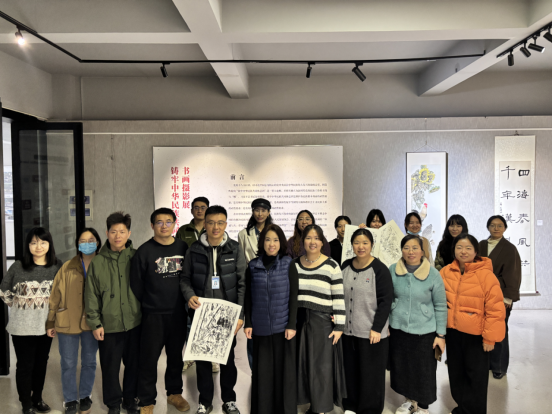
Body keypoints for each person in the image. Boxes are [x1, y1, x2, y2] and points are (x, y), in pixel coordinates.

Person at [180, 205, 246, 414]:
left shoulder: (235, 249)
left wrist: (240, 315)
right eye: (211, 222)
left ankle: (229, 400)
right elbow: (185, 279)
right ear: (205, 224)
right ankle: (205, 401)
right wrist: (189, 295)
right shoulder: (194, 249)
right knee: (202, 361)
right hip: (202, 313)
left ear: (226, 224)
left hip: (227, 314)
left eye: (220, 222)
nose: (215, 227)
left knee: (227, 360)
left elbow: (243, 284)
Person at [130, 208, 190, 414]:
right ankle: (147, 400)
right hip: (153, 314)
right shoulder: (144, 251)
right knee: (149, 358)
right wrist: (151, 302)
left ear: (174, 224)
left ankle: (174, 393)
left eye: (168, 221)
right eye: (159, 222)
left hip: (178, 313)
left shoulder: (183, 247)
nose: (164, 226)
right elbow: (136, 284)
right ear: (152, 225)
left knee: (175, 357)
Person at [440, 233, 506, 414]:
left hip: (476, 336)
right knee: (456, 373)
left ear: (476, 251)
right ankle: (462, 408)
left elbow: (495, 310)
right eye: (459, 247)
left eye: (468, 248)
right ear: (453, 250)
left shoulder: (486, 276)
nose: (463, 251)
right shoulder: (445, 272)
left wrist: (490, 338)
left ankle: (474, 411)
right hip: (452, 332)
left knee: (476, 376)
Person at [0, 227, 62, 414]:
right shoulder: (18, 266)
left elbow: (62, 294)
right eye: (34, 242)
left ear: (49, 244)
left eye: (43, 242)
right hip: (21, 327)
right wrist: (19, 306)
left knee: (41, 364)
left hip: (45, 326)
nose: (38, 246)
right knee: (25, 365)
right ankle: (26, 404)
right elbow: (4, 290)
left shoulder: (56, 266)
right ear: (28, 245)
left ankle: (37, 399)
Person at [85, 212, 142, 414]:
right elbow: (91, 295)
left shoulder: (137, 257)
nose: (118, 236)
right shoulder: (98, 262)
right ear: (107, 233)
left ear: (129, 233)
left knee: (134, 365)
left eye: (122, 231)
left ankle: (130, 400)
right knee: (110, 367)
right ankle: (113, 403)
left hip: (134, 322)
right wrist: (95, 323)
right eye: (113, 232)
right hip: (109, 325)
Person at [289, 224, 346, 413]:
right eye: (308, 238)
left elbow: (338, 297)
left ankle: (320, 408)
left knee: (321, 367)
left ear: (322, 242)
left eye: (316, 238)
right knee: (303, 364)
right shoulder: (294, 265)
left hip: (322, 323)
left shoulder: (332, 265)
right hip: (299, 322)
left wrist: (339, 326)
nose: (312, 242)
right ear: (302, 241)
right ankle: (308, 401)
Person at [388, 234, 447, 414]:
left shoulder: (433, 274)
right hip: (398, 328)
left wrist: (441, 335)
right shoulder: (393, 270)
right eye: (406, 248)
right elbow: (387, 298)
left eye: (415, 248)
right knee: (403, 367)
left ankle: (423, 406)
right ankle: (408, 401)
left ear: (422, 251)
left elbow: (440, 305)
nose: (411, 251)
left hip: (425, 330)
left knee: (424, 370)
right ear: (401, 250)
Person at [47, 228, 102, 414]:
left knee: (89, 362)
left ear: (98, 242)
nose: (87, 244)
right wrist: (50, 321)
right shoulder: (67, 267)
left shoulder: (102, 264)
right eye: (83, 241)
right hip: (67, 321)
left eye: (91, 240)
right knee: (68, 363)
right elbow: (55, 295)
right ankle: (70, 399)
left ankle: (85, 396)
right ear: (77, 244)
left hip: (92, 322)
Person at [244, 224, 297, 414]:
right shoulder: (253, 266)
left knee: (283, 375)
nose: (271, 244)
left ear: (281, 242)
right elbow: (248, 297)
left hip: (283, 329)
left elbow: (294, 296)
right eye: (267, 239)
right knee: (263, 374)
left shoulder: (288, 264)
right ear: (262, 242)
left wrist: (292, 324)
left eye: (275, 240)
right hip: (260, 328)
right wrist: (248, 323)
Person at [341, 229, 393, 414]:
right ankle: (351, 406)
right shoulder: (345, 266)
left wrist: (377, 328)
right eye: (357, 242)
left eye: (365, 243)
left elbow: (386, 301)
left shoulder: (380, 269)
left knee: (371, 374)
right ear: (351, 245)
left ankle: (369, 409)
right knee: (350, 371)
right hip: (348, 331)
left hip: (372, 332)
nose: (360, 247)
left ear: (372, 245)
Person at [479, 215, 521, 380]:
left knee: (500, 330)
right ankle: (485, 363)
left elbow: (514, 275)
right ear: (488, 227)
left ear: (505, 228)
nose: (496, 228)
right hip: (481, 295)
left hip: (501, 296)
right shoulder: (481, 245)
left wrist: (508, 298)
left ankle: (499, 366)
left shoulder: (510, 249)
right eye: (492, 225)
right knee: (483, 329)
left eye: (499, 225)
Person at [175, 196, 212, 372]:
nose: (199, 210)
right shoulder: (183, 231)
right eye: (196, 207)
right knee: (190, 322)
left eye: (203, 207)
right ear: (191, 210)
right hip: (189, 280)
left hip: (208, 281)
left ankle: (210, 357)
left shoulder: (212, 228)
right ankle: (190, 356)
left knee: (209, 321)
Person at [238, 198, 273, 370]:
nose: (260, 213)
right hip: (252, 280)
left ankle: (269, 369)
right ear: (252, 212)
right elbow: (242, 260)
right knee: (252, 326)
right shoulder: (244, 234)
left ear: (268, 212)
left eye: (263, 210)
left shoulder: (273, 231)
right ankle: (255, 369)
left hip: (271, 281)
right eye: (256, 210)